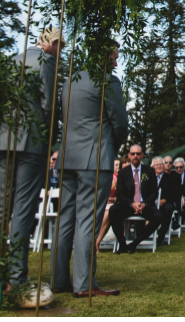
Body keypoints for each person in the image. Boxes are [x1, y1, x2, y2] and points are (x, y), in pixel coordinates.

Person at [0, 26, 60, 290]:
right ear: (49, 43)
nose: (59, 52)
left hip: (5, 140)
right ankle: (17, 274)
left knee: (2, 206)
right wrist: (51, 137)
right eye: (59, 46)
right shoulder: (46, 61)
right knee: (24, 208)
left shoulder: (11, 60)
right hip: (31, 142)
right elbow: (48, 104)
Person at [52, 42, 127, 297]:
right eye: (114, 57)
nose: (116, 63)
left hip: (66, 158)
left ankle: (59, 279)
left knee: (64, 220)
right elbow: (120, 123)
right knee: (88, 222)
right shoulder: (108, 81)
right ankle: (84, 285)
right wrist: (110, 148)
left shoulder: (69, 81)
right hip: (95, 159)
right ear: (103, 56)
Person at [108, 145, 163, 253]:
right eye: (133, 154)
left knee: (158, 217)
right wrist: (131, 203)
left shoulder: (150, 171)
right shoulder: (123, 173)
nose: (135, 156)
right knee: (113, 211)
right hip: (128, 205)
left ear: (142, 155)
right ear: (129, 155)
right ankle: (122, 244)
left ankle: (135, 243)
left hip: (145, 205)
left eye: (138, 154)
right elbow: (120, 194)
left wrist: (145, 203)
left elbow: (154, 192)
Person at [151, 156, 180, 241]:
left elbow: (174, 193)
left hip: (165, 201)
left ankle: (161, 235)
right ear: (153, 167)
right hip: (151, 202)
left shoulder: (170, 178)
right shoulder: (149, 177)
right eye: (157, 165)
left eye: (161, 164)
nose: (159, 166)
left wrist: (164, 200)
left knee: (168, 208)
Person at [96, 159, 122, 249]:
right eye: (116, 165)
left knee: (109, 212)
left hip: (113, 204)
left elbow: (120, 195)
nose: (118, 166)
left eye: (119, 164)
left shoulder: (120, 177)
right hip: (100, 202)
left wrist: (114, 199)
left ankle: (96, 242)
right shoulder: (103, 177)